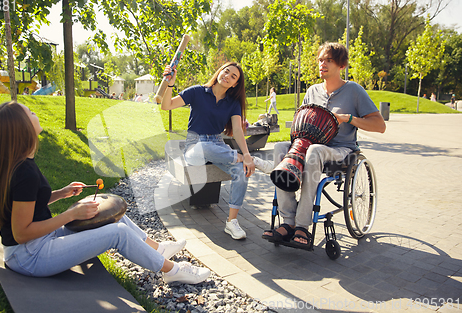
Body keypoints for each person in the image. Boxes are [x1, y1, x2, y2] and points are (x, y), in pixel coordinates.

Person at [0, 101, 210, 283]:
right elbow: (22, 232)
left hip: (36, 246)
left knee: (111, 214)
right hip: (29, 256)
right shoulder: (23, 171)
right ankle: (173, 271)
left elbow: (27, 204)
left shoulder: (19, 164)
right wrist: (70, 215)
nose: (34, 112)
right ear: (21, 128)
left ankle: (157, 250)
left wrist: (60, 193)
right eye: (30, 112)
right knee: (118, 233)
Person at [262, 42, 386, 247]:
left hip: (341, 149)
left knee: (314, 151)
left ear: (341, 65)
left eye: (328, 60)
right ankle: (288, 221)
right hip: (311, 144)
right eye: (320, 60)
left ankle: (302, 226)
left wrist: (348, 118)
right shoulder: (312, 91)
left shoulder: (354, 90)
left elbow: (379, 125)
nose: (322, 64)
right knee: (280, 149)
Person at [160, 62, 272, 240]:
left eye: (233, 76)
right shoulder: (197, 91)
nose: (227, 76)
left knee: (241, 173)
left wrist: (247, 154)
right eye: (226, 71)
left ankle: (231, 222)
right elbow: (166, 106)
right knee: (203, 146)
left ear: (235, 84)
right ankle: (251, 161)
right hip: (194, 145)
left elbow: (237, 131)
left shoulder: (233, 103)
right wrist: (170, 84)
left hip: (217, 145)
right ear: (219, 72)